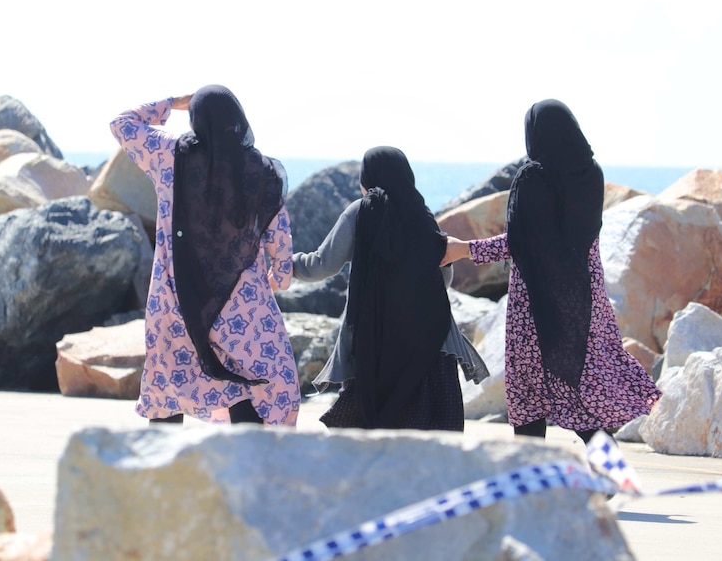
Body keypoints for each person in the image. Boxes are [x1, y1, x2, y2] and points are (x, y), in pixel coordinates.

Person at [442, 99, 661, 443]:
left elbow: (523, 243)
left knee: (529, 407)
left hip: (537, 309)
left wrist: (465, 250)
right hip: (585, 302)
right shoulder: (590, 174)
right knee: (583, 402)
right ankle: (610, 478)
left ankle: (531, 487)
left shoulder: (533, 177)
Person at [110, 85, 300, 426]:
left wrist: (172, 103)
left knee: (169, 385)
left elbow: (122, 123)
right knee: (245, 383)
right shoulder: (262, 172)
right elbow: (279, 233)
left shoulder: (170, 156)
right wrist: (281, 274)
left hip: (175, 297)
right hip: (241, 303)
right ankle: (256, 469)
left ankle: (161, 473)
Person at [291, 146, 489, 431]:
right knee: (431, 439)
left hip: (376, 342)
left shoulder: (361, 212)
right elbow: (444, 276)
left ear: (367, 178)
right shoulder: (422, 214)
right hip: (431, 342)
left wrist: (288, 264)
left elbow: (323, 265)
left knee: (370, 434)